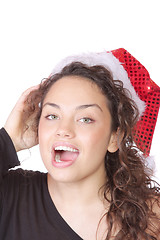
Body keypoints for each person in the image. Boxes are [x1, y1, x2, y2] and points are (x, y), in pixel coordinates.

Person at [1, 49, 160, 240]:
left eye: (85, 119)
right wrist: (8, 140)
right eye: (52, 116)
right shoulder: (9, 195)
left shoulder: (152, 217)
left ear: (114, 137)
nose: (63, 129)